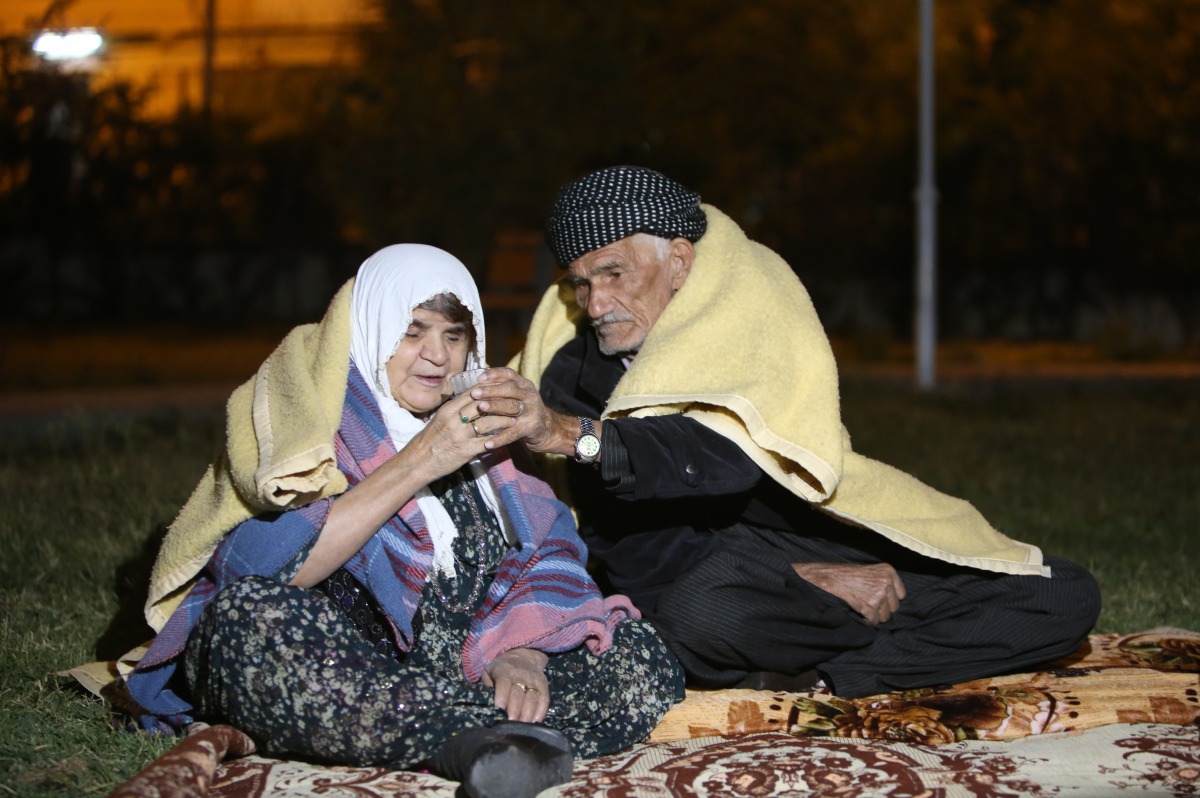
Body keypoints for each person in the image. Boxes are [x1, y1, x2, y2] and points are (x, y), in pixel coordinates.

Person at [470, 165, 1102, 699]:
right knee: (696, 612)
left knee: (1063, 596)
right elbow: (632, 550)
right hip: (715, 574)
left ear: (680, 264)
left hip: (807, 533)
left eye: (613, 273)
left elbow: (725, 461)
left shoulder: (743, 323)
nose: (596, 303)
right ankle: (848, 659)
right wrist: (813, 578)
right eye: (581, 283)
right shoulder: (574, 375)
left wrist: (837, 569)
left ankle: (813, 672)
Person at [123, 244, 685, 798]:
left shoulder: (485, 432)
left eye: (454, 336)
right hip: (351, 662)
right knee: (244, 627)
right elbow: (267, 573)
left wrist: (523, 651)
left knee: (641, 655)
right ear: (371, 330)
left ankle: (471, 732)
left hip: (470, 662)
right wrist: (422, 460)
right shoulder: (314, 423)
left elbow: (548, 551)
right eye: (412, 332)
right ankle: (472, 736)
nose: (436, 358)